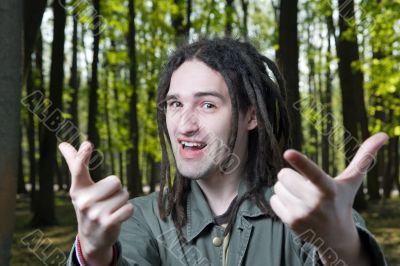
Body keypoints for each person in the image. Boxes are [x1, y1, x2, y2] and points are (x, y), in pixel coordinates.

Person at [61, 38, 387, 266]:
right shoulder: (140, 218)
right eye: (175, 104)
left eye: (207, 104)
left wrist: (341, 246)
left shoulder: (303, 210)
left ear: (251, 116)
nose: (185, 124)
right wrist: (93, 252)